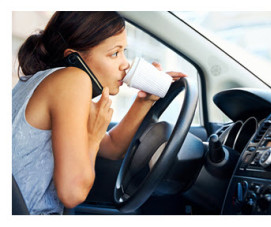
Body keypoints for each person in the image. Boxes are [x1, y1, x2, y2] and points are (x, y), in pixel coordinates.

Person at [12, 11, 186, 215]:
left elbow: (112, 146)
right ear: (74, 57)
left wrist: (144, 100)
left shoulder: (47, 82)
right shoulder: (73, 80)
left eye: (124, 51)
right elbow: (72, 193)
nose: (125, 64)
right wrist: (92, 138)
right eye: (114, 53)